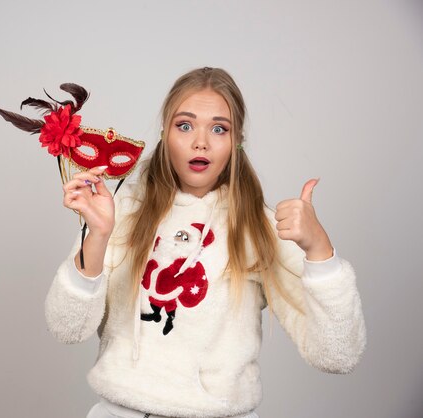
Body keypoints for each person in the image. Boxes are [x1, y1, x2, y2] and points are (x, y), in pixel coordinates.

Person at [44, 67, 366, 418]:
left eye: (219, 128)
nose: (201, 142)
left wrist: (320, 251)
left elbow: (338, 355)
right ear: (165, 134)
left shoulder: (259, 226)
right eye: (184, 125)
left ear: (236, 140)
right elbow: (67, 328)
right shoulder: (121, 209)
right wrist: (99, 235)